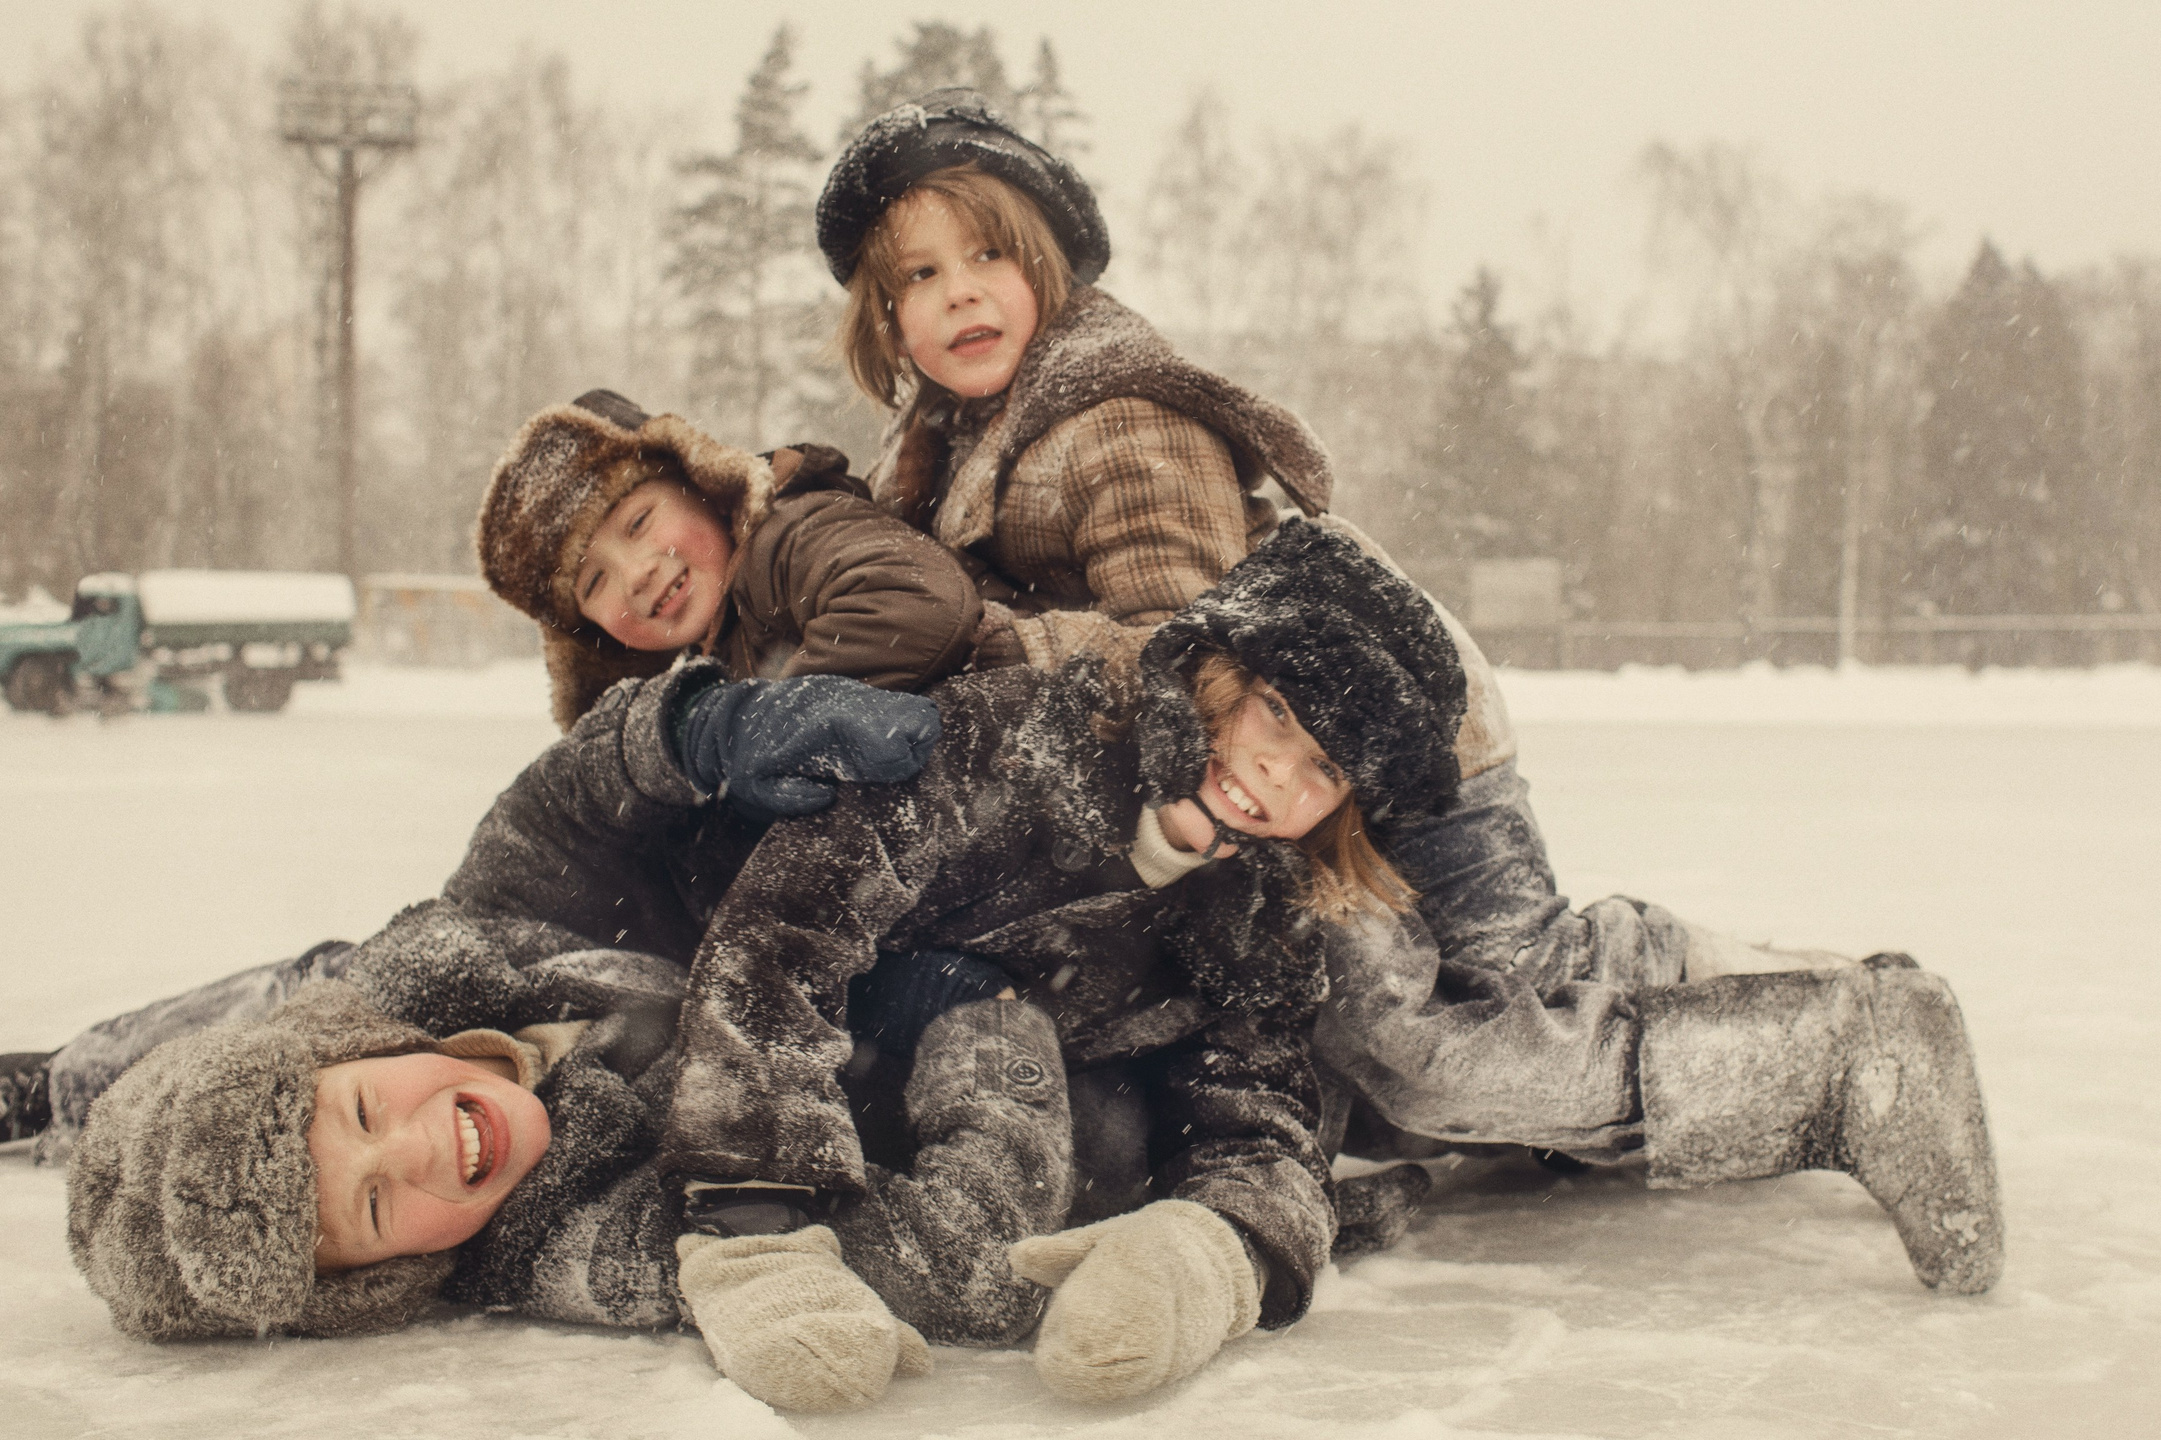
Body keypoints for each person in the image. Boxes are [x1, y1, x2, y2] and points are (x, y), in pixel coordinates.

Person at [815, 89, 2003, 1298]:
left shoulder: (1114, 420)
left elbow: (1181, 649)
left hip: (1366, 733)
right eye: (917, 274)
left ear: (1051, 266)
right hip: (1294, 750)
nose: (957, 291)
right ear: (884, 312)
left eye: (989, 255)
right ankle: (1732, 972)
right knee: (1498, 984)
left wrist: (980, 648)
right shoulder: (949, 452)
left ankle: (1842, 1059)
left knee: (1419, 1047)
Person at [66, 916, 1073, 1414]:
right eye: (373, 1208)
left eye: (367, 1110)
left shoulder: (439, 968)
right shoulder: (591, 1244)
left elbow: (584, 797)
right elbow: (971, 1263)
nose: (422, 1145)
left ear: (357, 1047)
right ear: (378, 1285)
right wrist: (981, 1020)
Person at [476, 387, 987, 730]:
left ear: (701, 483)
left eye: (638, 523)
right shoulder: (711, 652)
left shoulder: (788, 538)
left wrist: (755, 729)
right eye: (593, 584)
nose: (635, 574)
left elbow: (922, 602)